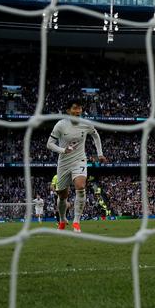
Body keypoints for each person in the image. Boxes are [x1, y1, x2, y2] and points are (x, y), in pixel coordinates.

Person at [46, 99, 106, 233]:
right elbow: (49, 144)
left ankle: (76, 222)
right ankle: (62, 219)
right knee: (62, 195)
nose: (78, 111)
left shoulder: (86, 124)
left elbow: (96, 136)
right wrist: (63, 150)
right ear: (68, 111)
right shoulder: (60, 125)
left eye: (80, 108)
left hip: (80, 160)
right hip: (64, 162)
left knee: (80, 186)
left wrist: (100, 154)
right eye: (75, 108)